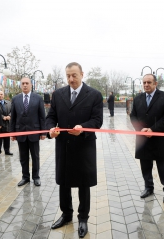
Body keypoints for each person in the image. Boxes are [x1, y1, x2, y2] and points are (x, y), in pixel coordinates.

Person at [46, 62, 103, 238]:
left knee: (83, 184)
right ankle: (66, 215)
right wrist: (50, 130)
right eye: (68, 76)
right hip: (63, 146)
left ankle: (83, 218)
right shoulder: (58, 95)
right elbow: (51, 117)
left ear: (82, 74)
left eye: (74, 75)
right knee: (64, 183)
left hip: (84, 147)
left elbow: (97, 120)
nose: (71, 79)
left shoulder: (94, 95)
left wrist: (83, 128)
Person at [130, 74, 164, 204]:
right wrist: (141, 129)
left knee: (163, 166)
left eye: (149, 82)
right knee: (145, 165)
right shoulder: (138, 98)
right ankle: (148, 188)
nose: (146, 85)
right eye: (144, 83)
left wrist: (153, 130)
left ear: (155, 83)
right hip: (143, 138)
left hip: (159, 138)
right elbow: (133, 116)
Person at [10, 77, 46, 187]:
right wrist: (12, 132)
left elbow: (42, 116)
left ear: (31, 85)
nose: (25, 85)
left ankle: (36, 177)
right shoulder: (15, 99)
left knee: (35, 156)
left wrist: (43, 132)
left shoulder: (38, 98)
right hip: (20, 133)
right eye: (23, 83)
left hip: (34, 132)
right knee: (23, 157)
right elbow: (13, 117)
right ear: (20, 85)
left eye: (27, 83)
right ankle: (25, 177)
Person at [0, 90, 13, 158]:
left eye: (1, 94)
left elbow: (12, 111)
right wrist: (3, 117)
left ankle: (7, 151)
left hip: (7, 123)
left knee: (7, 138)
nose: (0, 96)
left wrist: (9, 116)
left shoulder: (8, 103)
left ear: (3, 95)